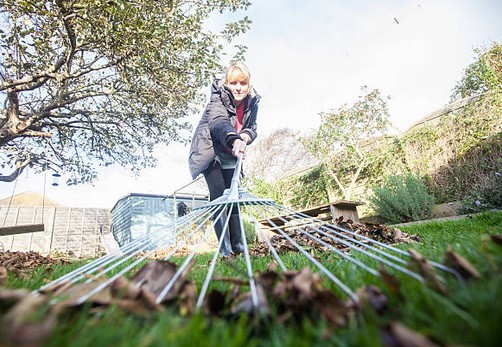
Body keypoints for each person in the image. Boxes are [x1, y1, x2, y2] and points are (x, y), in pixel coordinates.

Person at [188, 61, 261, 256]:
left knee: (233, 195)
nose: (238, 88)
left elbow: (252, 127)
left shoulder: (252, 102)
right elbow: (218, 122)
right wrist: (234, 138)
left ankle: (239, 246)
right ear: (226, 84)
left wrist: (245, 136)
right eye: (233, 83)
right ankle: (225, 250)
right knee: (220, 194)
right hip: (210, 149)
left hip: (231, 151)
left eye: (242, 83)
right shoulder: (217, 98)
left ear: (248, 84)